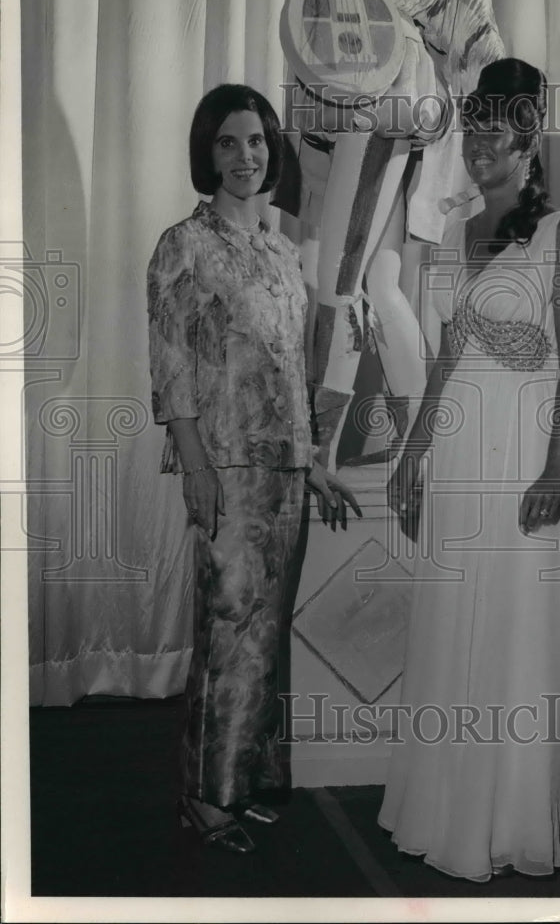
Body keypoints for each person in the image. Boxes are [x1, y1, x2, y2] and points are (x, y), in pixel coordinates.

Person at [378, 58, 560, 880]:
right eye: (472, 128)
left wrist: (555, 468)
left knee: (524, 639)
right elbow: (443, 358)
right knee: (453, 630)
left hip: (527, 452)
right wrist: (412, 453)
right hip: (460, 453)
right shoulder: (450, 234)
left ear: (528, 140)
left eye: (496, 129)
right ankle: (450, 812)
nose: (478, 144)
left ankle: (514, 821)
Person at [147, 84, 360, 854]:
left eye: (257, 143)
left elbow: (287, 375)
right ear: (207, 154)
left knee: (263, 635)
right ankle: (204, 798)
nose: (246, 158)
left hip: (282, 475)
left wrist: (312, 466)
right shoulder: (184, 245)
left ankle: (243, 781)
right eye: (228, 144)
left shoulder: (276, 251)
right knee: (227, 629)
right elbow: (171, 370)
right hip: (228, 474)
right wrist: (197, 468)